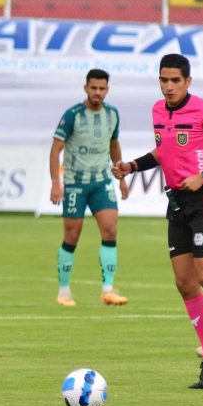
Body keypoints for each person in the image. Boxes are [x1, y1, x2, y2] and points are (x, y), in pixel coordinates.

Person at [112, 53, 203, 389]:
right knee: (184, 283)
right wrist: (132, 166)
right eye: (164, 80)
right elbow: (164, 151)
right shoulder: (158, 111)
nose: (169, 86)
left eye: (176, 80)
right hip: (177, 202)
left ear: (188, 81)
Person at [49, 68, 130, 307]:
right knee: (72, 235)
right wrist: (56, 182)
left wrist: (121, 176)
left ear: (107, 90)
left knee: (110, 230)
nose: (97, 92)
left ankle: (108, 290)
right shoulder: (73, 115)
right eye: (93, 88)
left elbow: (114, 144)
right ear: (86, 88)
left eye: (101, 88)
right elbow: (56, 149)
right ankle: (64, 292)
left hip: (101, 182)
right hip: (75, 183)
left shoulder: (112, 114)